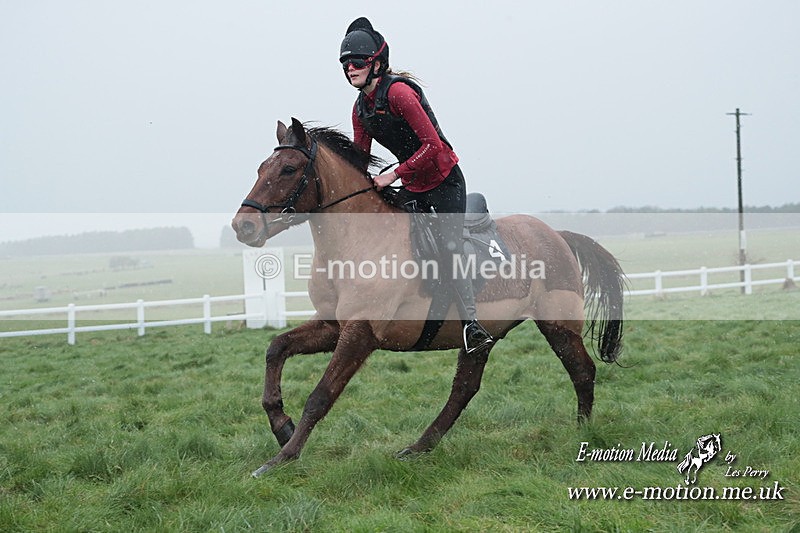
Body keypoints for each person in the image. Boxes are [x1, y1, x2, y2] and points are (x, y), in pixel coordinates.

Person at [339, 17, 493, 354]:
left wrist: (393, 175)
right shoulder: (360, 109)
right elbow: (361, 160)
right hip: (413, 183)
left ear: (377, 63)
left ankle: (472, 327)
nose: (350, 68)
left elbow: (433, 146)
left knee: (450, 251)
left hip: (444, 181)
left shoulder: (399, 93)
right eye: (345, 63)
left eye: (357, 62)